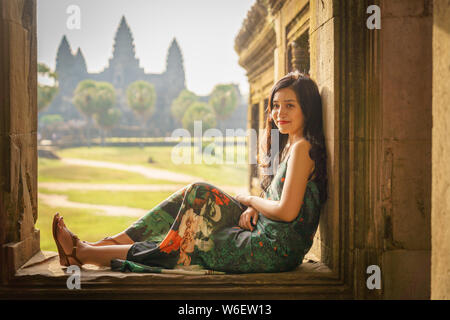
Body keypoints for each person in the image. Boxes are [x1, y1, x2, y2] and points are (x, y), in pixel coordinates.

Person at [52, 71, 328, 274]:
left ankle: (86, 252)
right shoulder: (290, 145)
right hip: (265, 236)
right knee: (192, 202)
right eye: (276, 106)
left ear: (308, 108)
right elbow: (280, 199)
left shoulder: (303, 147)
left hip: (272, 249)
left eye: (289, 105)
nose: (280, 113)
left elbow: (288, 212)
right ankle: (96, 248)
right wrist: (255, 207)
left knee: (183, 238)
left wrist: (250, 200)